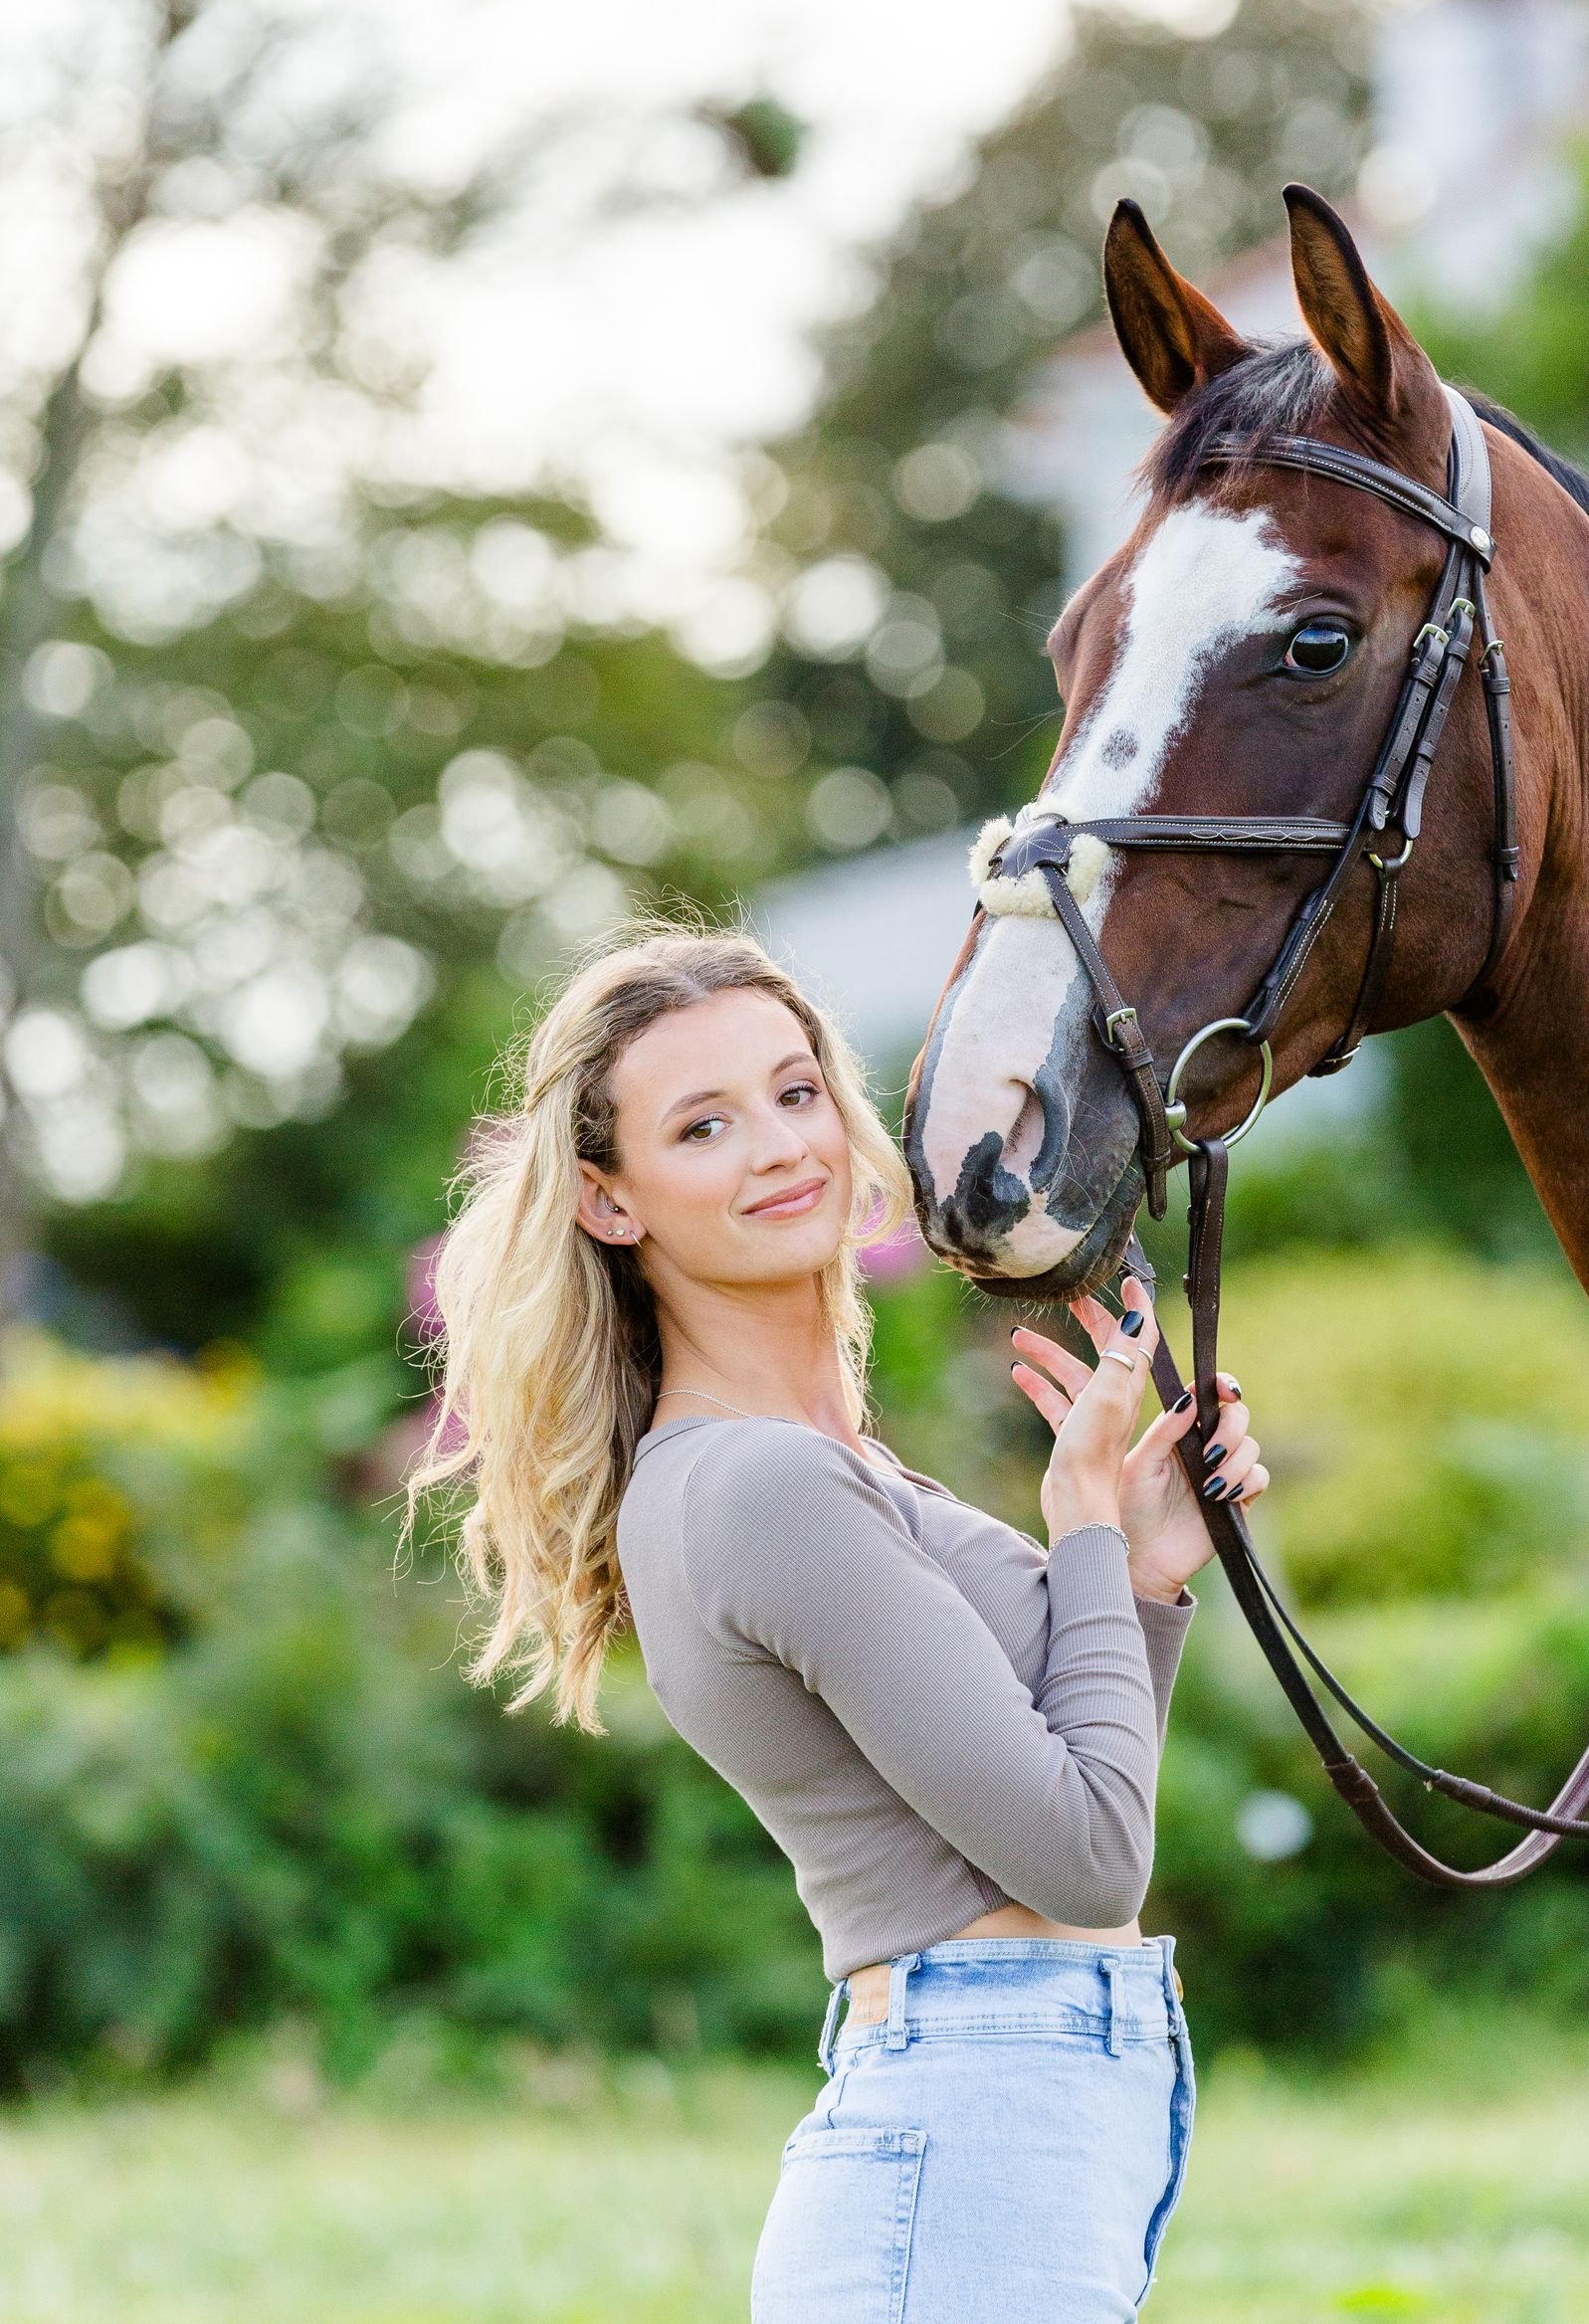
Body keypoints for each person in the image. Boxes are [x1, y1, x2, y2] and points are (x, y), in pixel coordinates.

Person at [414, 927, 1269, 2321]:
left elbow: (1063, 1798)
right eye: (703, 1126)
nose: (778, 1148)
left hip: (1014, 2119)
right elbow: (1092, 1860)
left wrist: (1147, 1577)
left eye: (795, 1092)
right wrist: (1086, 1532)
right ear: (610, 1201)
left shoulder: (835, 1468)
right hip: (977, 2127)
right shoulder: (764, 1486)